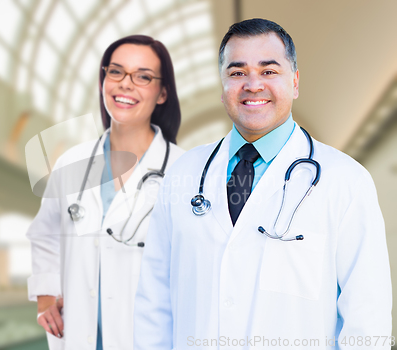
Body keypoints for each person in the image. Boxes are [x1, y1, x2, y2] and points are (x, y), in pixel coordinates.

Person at [134, 19, 392, 350]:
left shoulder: (346, 181)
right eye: (237, 72)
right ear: (222, 83)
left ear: (295, 82)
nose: (253, 84)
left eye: (269, 71)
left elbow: (366, 319)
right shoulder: (185, 173)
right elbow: (154, 301)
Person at [26, 35, 184, 349]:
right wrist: (45, 296)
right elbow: (45, 234)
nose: (126, 84)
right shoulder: (73, 161)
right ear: (104, 80)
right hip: (79, 334)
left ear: (162, 92)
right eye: (116, 72)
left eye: (143, 76)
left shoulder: (185, 171)